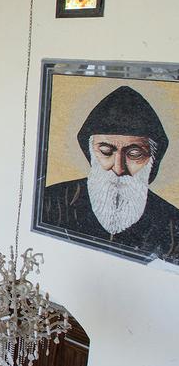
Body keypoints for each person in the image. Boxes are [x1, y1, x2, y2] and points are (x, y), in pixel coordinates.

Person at [41, 86, 179, 263]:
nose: (119, 168)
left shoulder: (172, 222)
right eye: (106, 151)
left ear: (152, 159)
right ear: (91, 152)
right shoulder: (50, 201)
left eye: (134, 154)